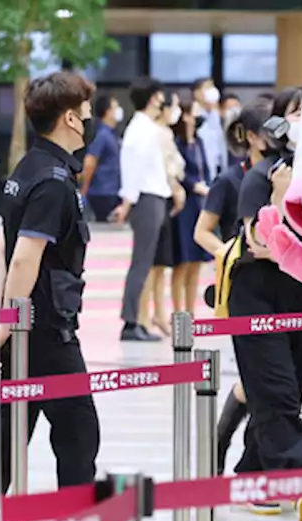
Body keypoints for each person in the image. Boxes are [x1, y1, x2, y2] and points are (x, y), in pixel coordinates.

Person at [0, 71, 106, 521]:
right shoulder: (54, 182)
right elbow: (23, 258)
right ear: (69, 117)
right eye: (86, 109)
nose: (91, 118)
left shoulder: (28, 168)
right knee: (79, 432)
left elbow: (7, 249)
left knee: (9, 435)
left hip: (28, 327)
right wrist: (9, 323)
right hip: (43, 331)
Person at [230, 86, 302, 521]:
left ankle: (251, 475)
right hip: (258, 297)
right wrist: (277, 200)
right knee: (277, 391)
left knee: (282, 390)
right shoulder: (263, 176)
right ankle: (299, 475)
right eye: (296, 112)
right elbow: (261, 243)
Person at [193, 98, 273, 473]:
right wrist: (231, 251)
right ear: (252, 136)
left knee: (260, 382)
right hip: (243, 291)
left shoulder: (286, 175)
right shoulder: (230, 180)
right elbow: (202, 232)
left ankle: (229, 450)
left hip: (285, 290)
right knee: (258, 380)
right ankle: (227, 449)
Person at [114, 76, 171, 342]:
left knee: (145, 262)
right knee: (142, 262)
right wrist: (128, 200)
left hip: (150, 197)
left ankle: (134, 320)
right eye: (160, 96)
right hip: (146, 198)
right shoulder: (142, 129)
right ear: (153, 98)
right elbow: (133, 168)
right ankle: (131, 321)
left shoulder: (144, 127)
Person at [140, 91, 184, 338]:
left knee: (160, 265)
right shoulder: (155, 133)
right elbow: (165, 167)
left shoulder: (166, 133)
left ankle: (158, 312)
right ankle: (143, 316)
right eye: (174, 105)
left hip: (167, 197)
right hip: (158, 196)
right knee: (150, 264)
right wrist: (175, 188)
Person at [170, 96, 212, 317]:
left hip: (200, 204)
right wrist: (194, 186)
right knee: (183, 261)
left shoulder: (200, 141)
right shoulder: (178, 143)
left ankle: (191, 311)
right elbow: (180, 172)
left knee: (196, 261)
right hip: (185, 204)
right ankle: (178, 312)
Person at [81, 93, 122, 222]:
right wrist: (84, 189)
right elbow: (90, 162)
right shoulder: (102, 135)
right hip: (103, 192)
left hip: (112, 190)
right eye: (115, 107)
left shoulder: (112, 134)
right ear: (107, 112)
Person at [192, 77, 226, 181]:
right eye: (207, 87)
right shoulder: (194, 114)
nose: (212, 90)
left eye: (212, 86)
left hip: (218, 164)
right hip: (202, 169)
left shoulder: (215, 114)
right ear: (197, 93)